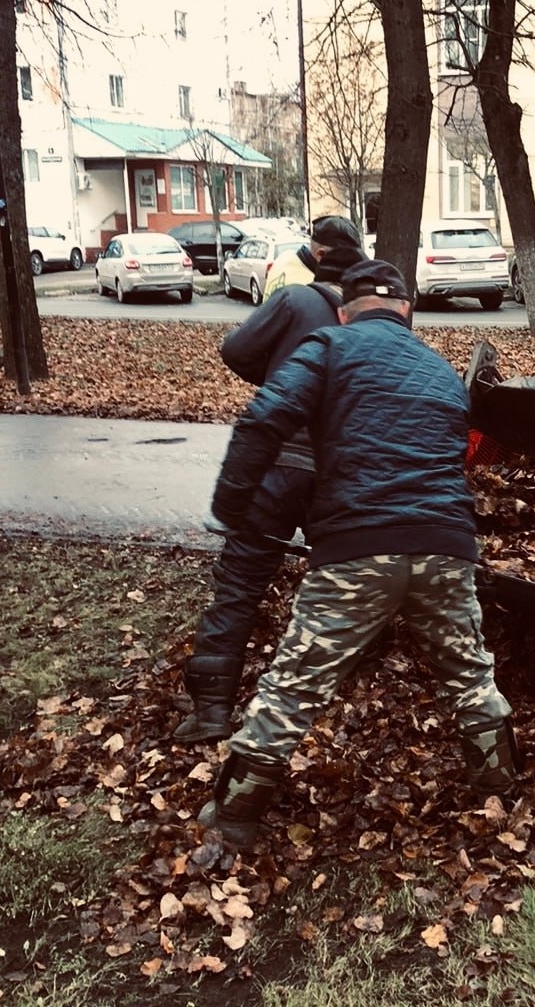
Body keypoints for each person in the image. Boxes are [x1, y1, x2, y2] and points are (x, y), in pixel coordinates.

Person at [196, 260, 518, 848]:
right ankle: (498, 789)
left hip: (357, 550)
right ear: (407, 310)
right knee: (469, 673)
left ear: (344, 312)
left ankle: (235, 814)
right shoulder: (440, 370)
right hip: (446, 548)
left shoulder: (328, 347)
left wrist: (231, 506)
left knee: (294, 685)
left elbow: (263, 420)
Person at [173, 241, 367, 743]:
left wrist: (279, 375)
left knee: (240, 582)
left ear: (318, 266)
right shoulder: (370, 323)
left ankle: (212, 710)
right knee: (343, 583)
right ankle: (343, 702)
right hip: (335, 471)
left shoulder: (294, 300)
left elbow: (235, 350)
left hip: (277, 464)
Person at [261, 213, 361, 301]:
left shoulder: (285, 257)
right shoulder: (312, 290)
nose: (349, 267)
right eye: (345, 260)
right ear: (320, 255)